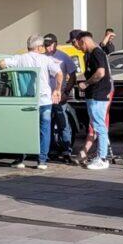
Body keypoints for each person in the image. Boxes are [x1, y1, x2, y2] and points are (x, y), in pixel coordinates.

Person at [0, 35, 62, 170]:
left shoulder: (20, 58)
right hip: (44, 99)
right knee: (45, 129)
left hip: (26, 100)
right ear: (38, 47)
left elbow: (1, 63)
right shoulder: (46, 59)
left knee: (24, 129)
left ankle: (21, 159)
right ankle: (42, 161)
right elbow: (59, 74)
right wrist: (57, 89)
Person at [73, 31, 113, 170]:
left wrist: (87, 83)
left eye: (77, 44)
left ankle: (102, 158)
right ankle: (100, 157)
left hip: (98, 94)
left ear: (82, 41)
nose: (77, 47)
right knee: (97, 126)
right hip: (93, 95)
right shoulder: (90, 54)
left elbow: (100, 73)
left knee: (99, 126)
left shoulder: (97, 52)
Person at [44, 33, 78, 163]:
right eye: (45, 46)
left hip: (59, 96)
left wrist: (66, 92)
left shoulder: (63, 57)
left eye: (49, 45)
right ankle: (51, 150)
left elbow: (72, 76)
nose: (47, 48)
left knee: (63, 124)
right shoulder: (42, 57)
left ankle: (66, 151)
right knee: (48, 124)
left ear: (55, 44)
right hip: (46, 97)